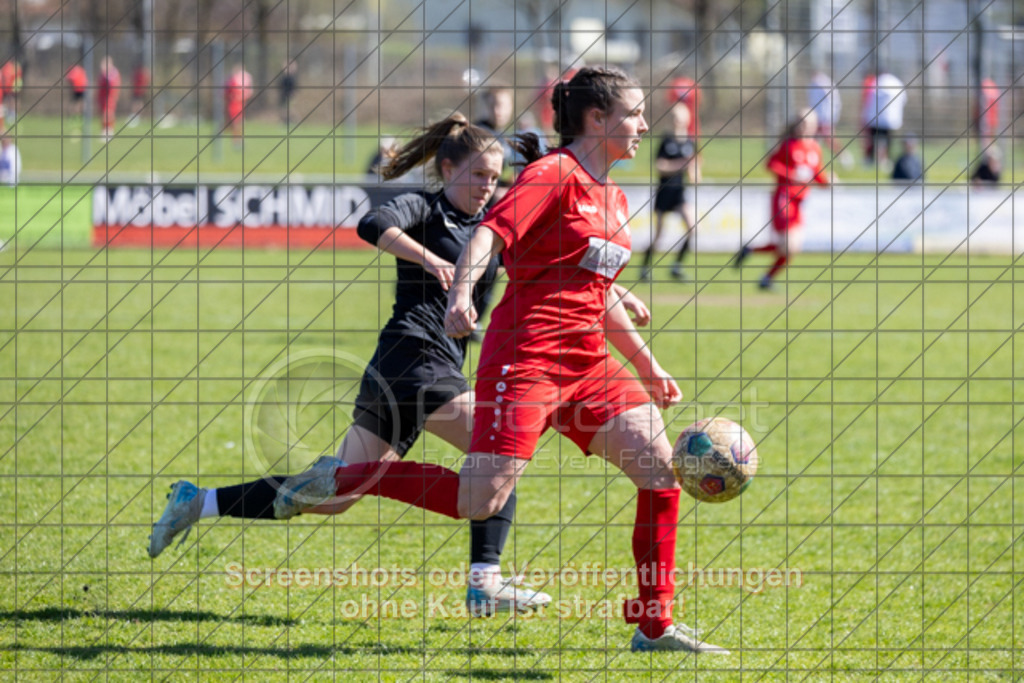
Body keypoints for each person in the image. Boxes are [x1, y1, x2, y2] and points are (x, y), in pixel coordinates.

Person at [272, 67, 730, 654]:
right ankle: (343, 477)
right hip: (527, 359)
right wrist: (461, 293)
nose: (645, 124)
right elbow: (488, 235)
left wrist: (645, 365)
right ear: (598, 119)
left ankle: (653, 625)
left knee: (660, 471)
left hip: (588, 366)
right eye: (636, 113)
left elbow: (592, 293)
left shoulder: (612, 195)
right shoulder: (552, 174)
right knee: (477, 500)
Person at [150, 114, 629, 616]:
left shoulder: (491, 227)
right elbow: (371, 223)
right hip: (412, 358)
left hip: (409, 371)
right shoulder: (423, 207)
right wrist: (431, 260)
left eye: (494, 177)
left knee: (337, 494)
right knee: (497, 455)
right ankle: (484, 581)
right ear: (447, 169)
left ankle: (197, 501)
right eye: (478, 176)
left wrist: (618, 292)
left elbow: (550, 260)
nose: (487, 187)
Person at [734, 108, 831, 290]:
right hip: (784, 198)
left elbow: (818, 176)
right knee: (788, 245)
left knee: (791, 248)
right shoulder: (789, 145)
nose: (805, 127)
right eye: (802, 122)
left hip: (800, 202)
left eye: (809, 123)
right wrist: (791, 175)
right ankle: (765, 277)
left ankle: (756, 261)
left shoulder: (815, 148)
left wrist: (828, 183)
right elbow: (771, 164)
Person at [639, 100, 698, 282]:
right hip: (664, 191)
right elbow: (659, 166)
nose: (677, 120)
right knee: (658, 235)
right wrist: (679, 165)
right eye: (674, 117)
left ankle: (676, 267)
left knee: (692, 227)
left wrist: (694, 172)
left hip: (679, 193)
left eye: (680, 117)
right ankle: (644, 268)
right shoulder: (666, 140)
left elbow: (694, 172)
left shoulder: (690, 143)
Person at [861, 68, 906, 169]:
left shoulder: (877, 82)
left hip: (876, 117)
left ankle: (871, 160)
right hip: (890, 118)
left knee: (874, 140)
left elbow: (869, 98)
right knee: (887, 140)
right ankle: (884, 159)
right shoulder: (895, 82)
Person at [807, 70, 850, 167]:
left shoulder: (824, 83)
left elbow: (833, 100)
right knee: (813, 140)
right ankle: (813, 159)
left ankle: (844, 157)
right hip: (816, 117)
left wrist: (831, 116)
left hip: (824, 117)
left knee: (829, 139)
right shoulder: (813, 84)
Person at [224, 64, 253, 143]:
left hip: (239, 105)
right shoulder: (233, 81)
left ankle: (237, 139)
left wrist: (241, 97)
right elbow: (227, 93)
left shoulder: (242, 80)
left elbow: (248, 93)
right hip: (233, 105)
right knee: (234, 122)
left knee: (239, 122)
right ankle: (236, 139)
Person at [97, 56, 122, 140]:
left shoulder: (113, 73)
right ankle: (105, 130)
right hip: (103, 97)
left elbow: (113, 85)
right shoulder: (103, 73)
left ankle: (108, 130)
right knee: (104, 113)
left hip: (110, 96)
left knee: (108, 113)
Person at [65, 63, 88, 131]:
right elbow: (68, 78)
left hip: (82, 90)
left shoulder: (81, 70)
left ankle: (81, 118)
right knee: (75, 105)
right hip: (76, 90)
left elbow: (85, 80)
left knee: (81, 105)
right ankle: (74, 119)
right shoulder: (73, 69)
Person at [127, 63, 150, 127]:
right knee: (137, 103)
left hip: (139, 91)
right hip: (138, 91)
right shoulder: (138, 74)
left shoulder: (140, 74)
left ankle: (138, 116)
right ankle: (136, 116)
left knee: (138, 103)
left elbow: (144, 82)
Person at [278, 60, 297, 125]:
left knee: (289, 109)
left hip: (289, 95)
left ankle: (292, 120)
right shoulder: (284, 77)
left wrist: (292, 94)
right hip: (283, 95)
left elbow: (293, 87)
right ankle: (284, 121)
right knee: (284, 109)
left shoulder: (291, 77)